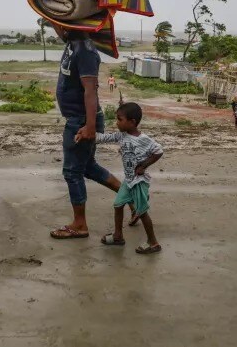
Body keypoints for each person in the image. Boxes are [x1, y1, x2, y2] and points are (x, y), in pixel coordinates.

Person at [50, 23, 133, 239]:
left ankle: (80, 225)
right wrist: (48, 12)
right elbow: (61, 31)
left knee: (72, 172)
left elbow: (90, 91)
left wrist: (88, 126)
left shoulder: (86, 50)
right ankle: (133, 199)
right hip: (79, 118)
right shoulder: (73, 42)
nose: (60, 25)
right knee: (88, 167)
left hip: (82, 121)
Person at [88, 102, 164, 254]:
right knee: (118, 205)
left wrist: (144, 165)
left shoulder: (143, 139)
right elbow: (104, 138)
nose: (117, 123)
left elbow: (159, 151)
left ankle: (153, 242)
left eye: (119, 119)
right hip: (128, 181)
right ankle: (118, 236)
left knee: (142, 212)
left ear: (132, 122)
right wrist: (88, 133)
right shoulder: (121, 136)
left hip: (139, 182)